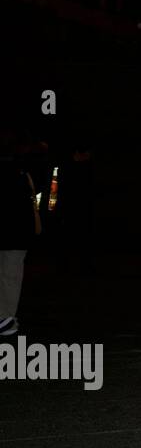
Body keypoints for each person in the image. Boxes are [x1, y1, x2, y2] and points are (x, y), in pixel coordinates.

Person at [0, 129, 39, 336]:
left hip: (12, 232)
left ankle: (5, 320)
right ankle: (5, 320)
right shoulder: (23, 172)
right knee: (11, 277)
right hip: (16, 234)